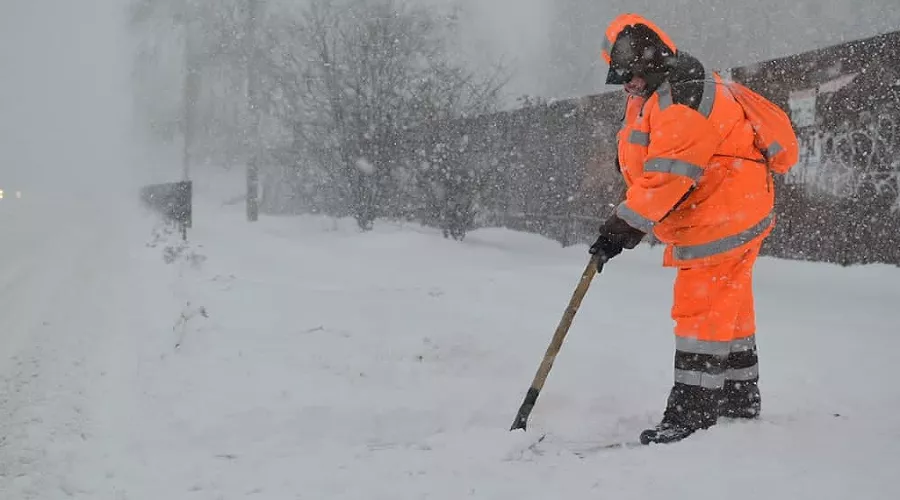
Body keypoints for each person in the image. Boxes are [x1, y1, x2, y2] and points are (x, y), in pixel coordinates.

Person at [588, 13, 779, 445]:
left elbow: (668, 174)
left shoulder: (682, 96)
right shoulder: (664, 88)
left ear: (649, 58)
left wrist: (621, 228)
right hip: (738, 205)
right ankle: (739, 396)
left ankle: (693, 413)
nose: (625, 85)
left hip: (723, 213)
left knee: (701, 307)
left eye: (629, 75)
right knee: (730, 302)